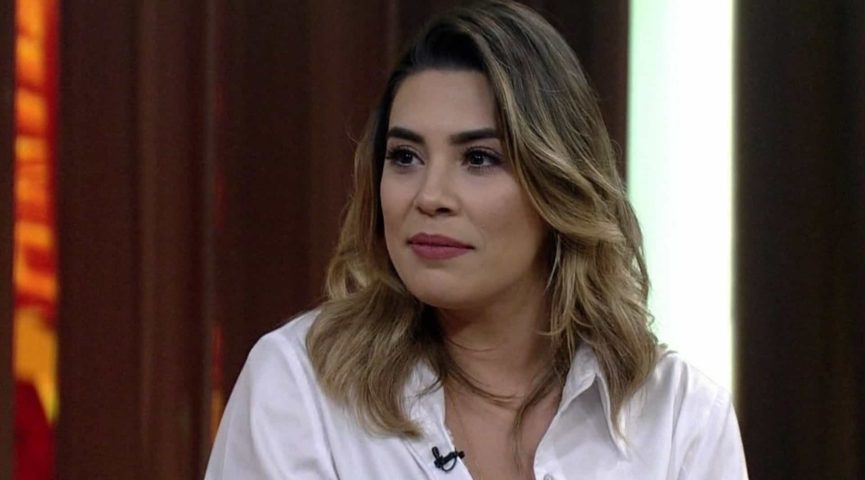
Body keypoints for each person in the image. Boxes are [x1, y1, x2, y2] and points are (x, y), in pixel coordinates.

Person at [205, 1, 748, 478]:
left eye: (479, 159)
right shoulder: (301, 388)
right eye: (405, 156)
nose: (430, 196)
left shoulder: (678, 420)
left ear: (557, 184)